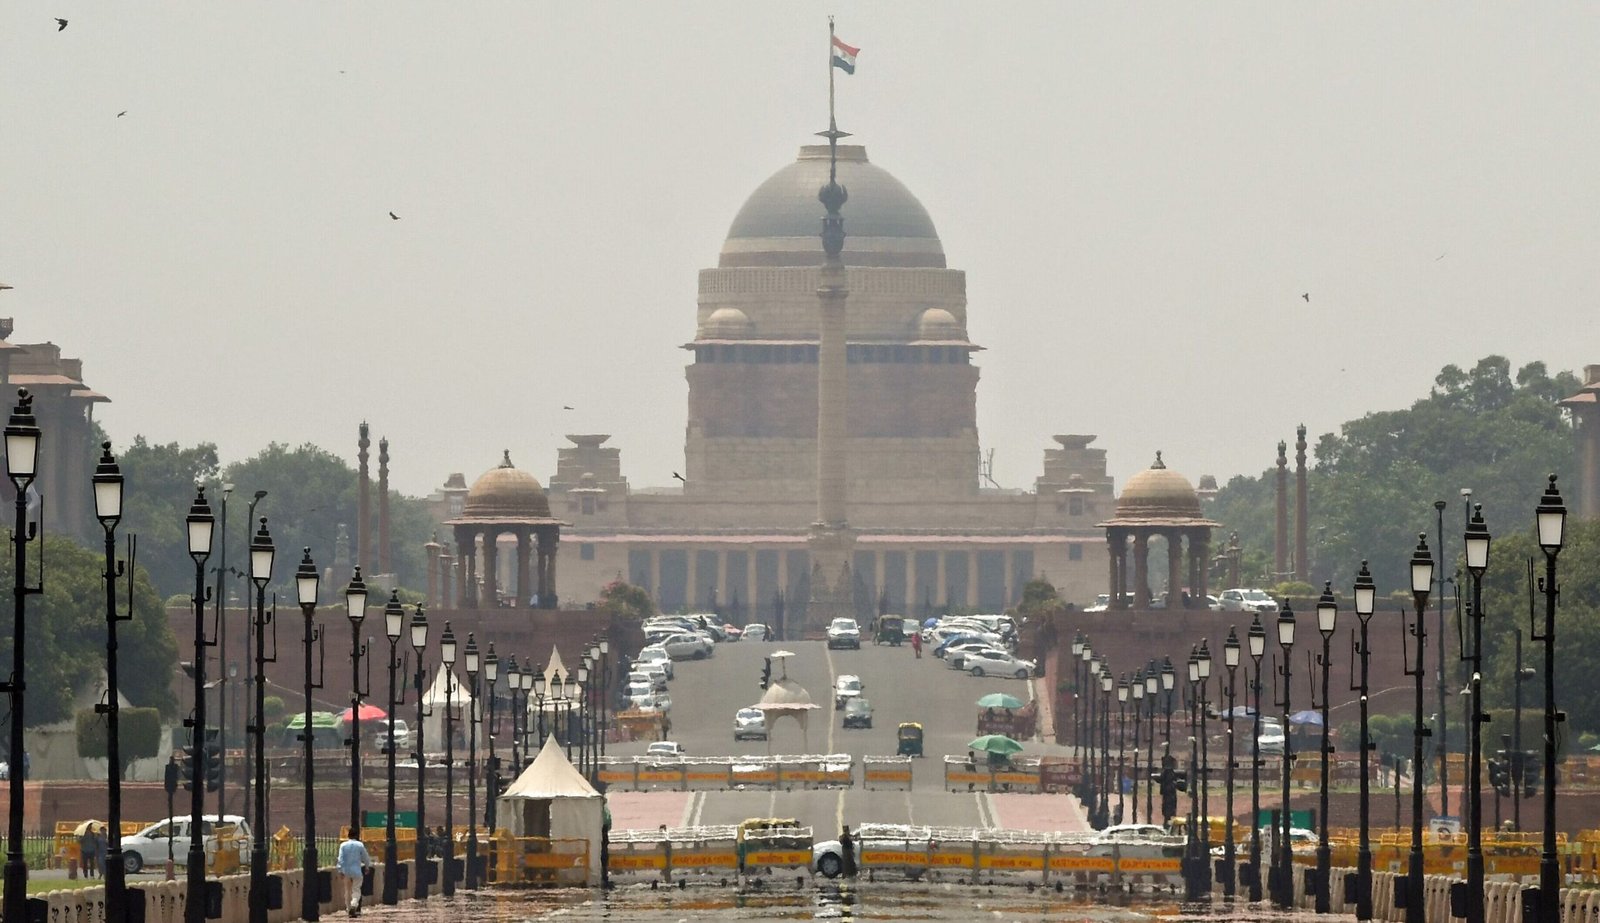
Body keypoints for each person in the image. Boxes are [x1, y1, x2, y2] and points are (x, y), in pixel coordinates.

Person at [336, 827, 374, 916]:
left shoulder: (343, 845)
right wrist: (367, 866)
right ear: (356, 836)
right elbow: (365, 857)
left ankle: (348, 908)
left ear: (348, 835)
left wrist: (340, 869)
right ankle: (354, 904)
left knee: (347, 890)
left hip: (346, 871)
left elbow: (340, 858)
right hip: (357, 871)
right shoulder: (359, 845)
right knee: (356, 890)